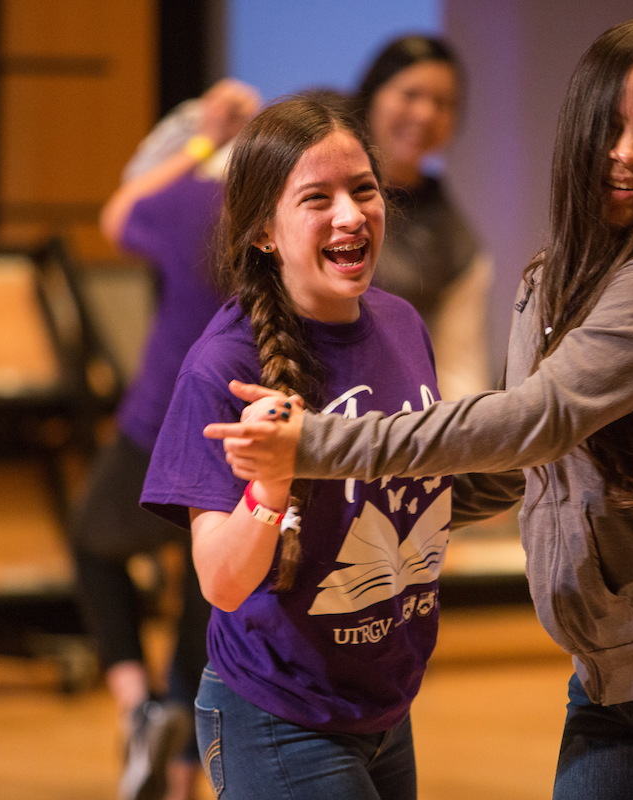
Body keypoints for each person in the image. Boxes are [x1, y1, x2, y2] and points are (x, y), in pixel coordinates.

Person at [208, 19, 633, 800]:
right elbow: (529, 463)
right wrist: (366, 518)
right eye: (610, 127)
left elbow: (530, 421)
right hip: (612, 671)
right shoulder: (550, 279)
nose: (625, 153)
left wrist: (314, 449)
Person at [139, 93, 452, 800]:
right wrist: (272, 484)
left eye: (363, 189)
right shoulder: (223, 366)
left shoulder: (401, 324)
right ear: (263, 232)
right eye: (318, 198)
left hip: (384, 705)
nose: (351, 215)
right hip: (278, 715)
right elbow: (220, 581)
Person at [74, 78, 258, 800]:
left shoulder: (187, 202)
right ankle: (181, 750)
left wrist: (203, 136)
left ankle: (138, 707)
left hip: (159, 417)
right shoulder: (262, 213)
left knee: (93, 543)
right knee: (204, 593)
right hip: (240, 419)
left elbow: (117, 215)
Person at [354, 35, 492, 400]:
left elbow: (458, 368)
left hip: (388, 425)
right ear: (373, 93)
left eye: (443, 103)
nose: (425, 114)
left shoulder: (455, 238)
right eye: (411, 94)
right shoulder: (306, 176)